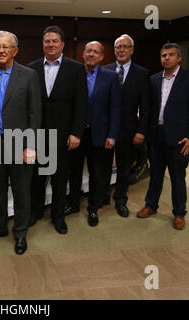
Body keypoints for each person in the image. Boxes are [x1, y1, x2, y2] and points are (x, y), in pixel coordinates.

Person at [0, 30, 42, 254]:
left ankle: (21, 233)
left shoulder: (29, 75)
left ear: (15, 50)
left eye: (6, 47)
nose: (1, 51)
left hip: (20, 144)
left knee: (22, 191)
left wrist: (31, 146)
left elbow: (35, 113)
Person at [137, 42, 189, 230]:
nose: (166, 58)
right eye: (163, 55)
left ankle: (179, 213)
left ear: (179, 58)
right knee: (155, 175)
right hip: (156, 136)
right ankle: (151, 205)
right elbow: (148, 110)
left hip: (179, 139)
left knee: (177, 177)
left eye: (171, 55)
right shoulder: (154, 79)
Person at [27, 26, 88, 234]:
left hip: (63, 137)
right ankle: (35, 213)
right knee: (37, 180)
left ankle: (58, 216)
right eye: (47, 41)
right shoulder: (31, 69)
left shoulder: (77, 68)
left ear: (62, 44)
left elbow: (81, 104)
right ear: (42, 44)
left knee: (60, 180)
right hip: (38, 136)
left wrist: (76, 132)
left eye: (54, 41)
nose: (50, 45)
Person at [68, 41, 121, 227]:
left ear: (101, 57)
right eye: (88, 51)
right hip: (76, 134)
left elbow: (115, 108)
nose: (91, 54)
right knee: (74, 172)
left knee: (96, 174)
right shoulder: (74, 73)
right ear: (83, 54)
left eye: (95, 52)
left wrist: (112, 135)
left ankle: (93, 208)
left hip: (99, 134)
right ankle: (73, 204)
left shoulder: (111, 77)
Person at [101, 34, 151, 217]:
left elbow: (146, 107)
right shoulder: (104, 70)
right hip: (106, 130)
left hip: (129, 131)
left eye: (125, 47)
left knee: (123, 168)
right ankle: (103, 196)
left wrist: (141, 131)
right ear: (114, 50)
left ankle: (120, 200)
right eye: (118, 47)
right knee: (104, 166)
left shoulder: (142, 73)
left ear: (132, 50)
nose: (121, 50)